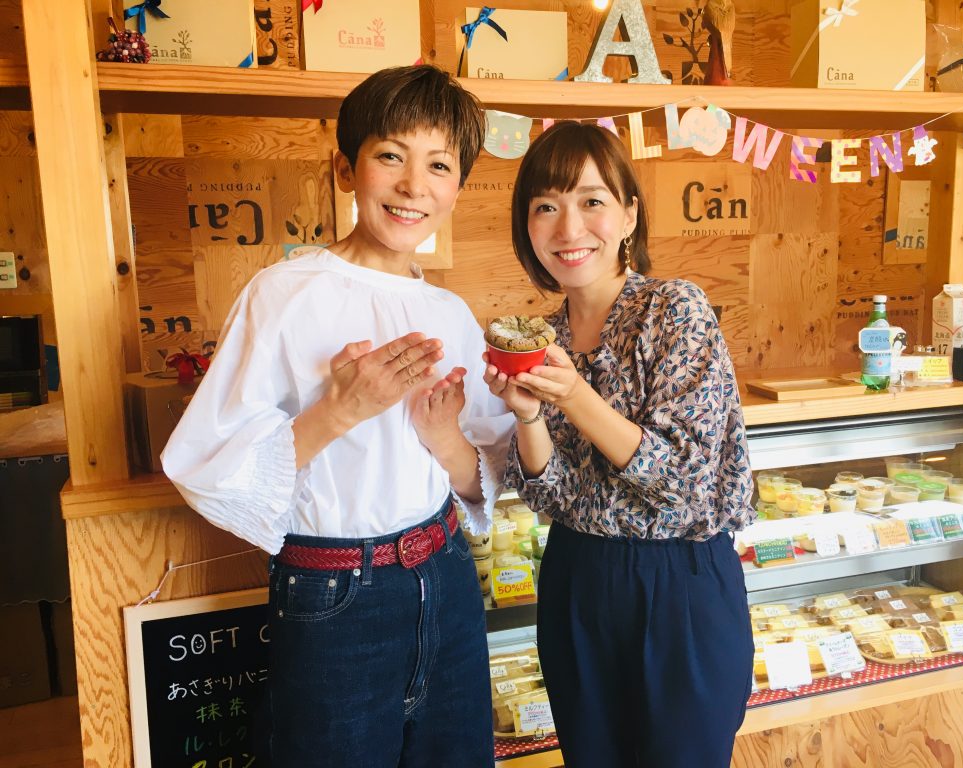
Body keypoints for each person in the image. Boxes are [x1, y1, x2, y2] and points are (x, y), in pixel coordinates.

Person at [162, 65, 512, 768]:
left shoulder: (450, 314)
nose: (414, 185)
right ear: (346, 169)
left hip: (446, 575)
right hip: (333, 594)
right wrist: (341, 409)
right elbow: (207, 468)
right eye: (391, 155)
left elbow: (484, 479)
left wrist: (444, 436)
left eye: (439, 165)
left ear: (457, 187)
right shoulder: (284, 294)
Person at [485, 121, 755, 768]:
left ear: (629, 215)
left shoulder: (674, 311)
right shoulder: (542, 336)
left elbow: (682, 478)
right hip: (576, 578)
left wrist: (575, 395)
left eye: (591, 201)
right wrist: (528, 415)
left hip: (679, 584)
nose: (568, 227)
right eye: (546, 207)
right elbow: (549, 494)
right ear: (527, 227)